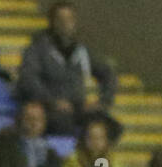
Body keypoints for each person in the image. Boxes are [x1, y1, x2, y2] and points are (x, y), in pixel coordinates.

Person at [15, 0, 116, 133]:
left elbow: (107, 73)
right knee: (63, 124)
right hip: (48, 109)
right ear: (52, 22)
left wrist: (102, 101)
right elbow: (28, 80)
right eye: (60, 19)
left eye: (69, 19)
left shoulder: (81, 50)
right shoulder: (37, 49)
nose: (65, 24)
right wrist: (52, 101)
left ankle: (89, 153)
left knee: (111, 127)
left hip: (77, 108)